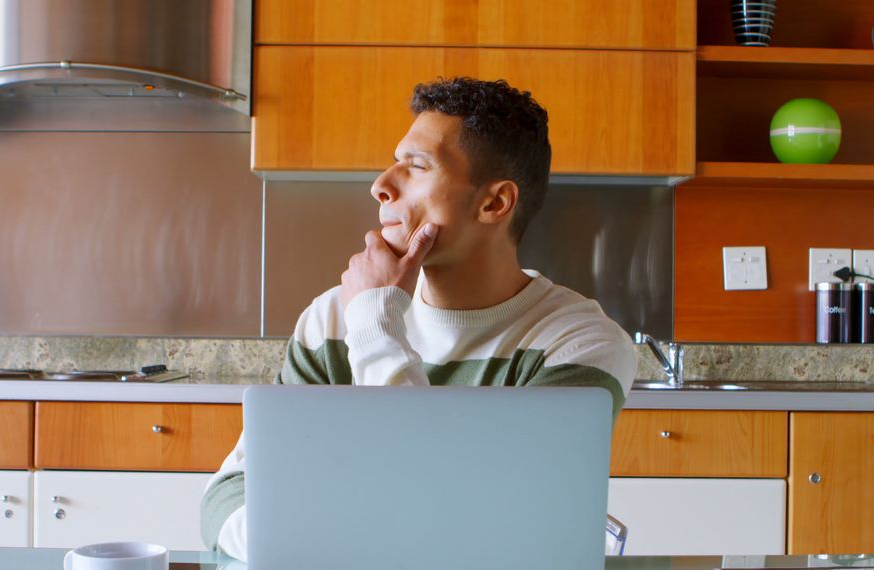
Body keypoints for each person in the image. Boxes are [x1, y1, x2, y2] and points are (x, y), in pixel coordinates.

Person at [200, 77, 637, 561]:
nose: (381, 185)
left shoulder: (579, 345)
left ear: (494, 203)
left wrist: (375, 323)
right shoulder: (331, 320)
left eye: (417, 166)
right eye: (394, 163)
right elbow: (228, 497)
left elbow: (467, 530)